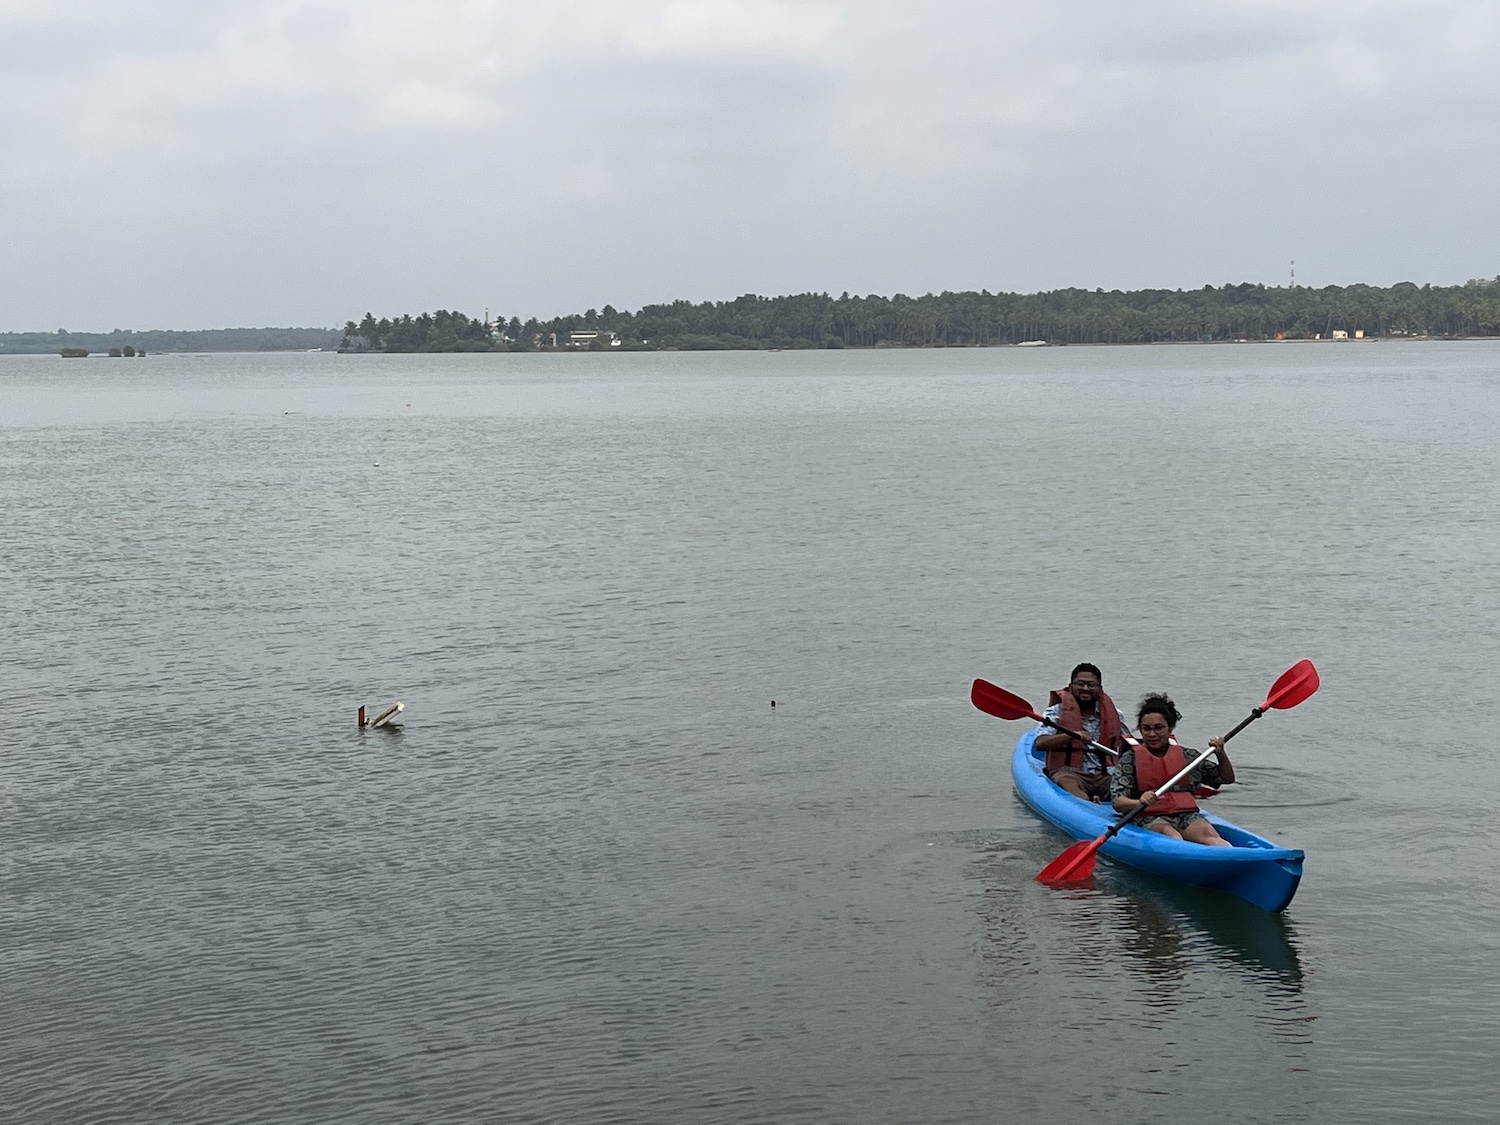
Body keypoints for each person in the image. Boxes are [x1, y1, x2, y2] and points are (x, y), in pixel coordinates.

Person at [1111, 693, 1235, 845]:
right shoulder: (1130, 760)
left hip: (1185, 814)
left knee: (1211, 836)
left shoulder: (1188, 756)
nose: (1151, 734)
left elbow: (1226, 778)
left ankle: (1230, 859)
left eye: (1158, 728)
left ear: (1170, 728)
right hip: (1148, 816)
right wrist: (1139, 801)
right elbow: (1118, 802)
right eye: (1146, 729)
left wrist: (1220, 753)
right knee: (1171, 836)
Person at [1034, 663, 1130, 802]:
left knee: (1129, 787)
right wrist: (1071, 736)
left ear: (1100, 689)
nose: (1085, 689)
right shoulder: (1056, 712)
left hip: (1104, 774)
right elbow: (1040, 743)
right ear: (1071, 687)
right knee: (1067, 783)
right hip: (1069, 773)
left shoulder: (1115, 714)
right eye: (1080, 684)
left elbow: (1126, 745)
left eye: (1091, 685)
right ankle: (1088, 803)